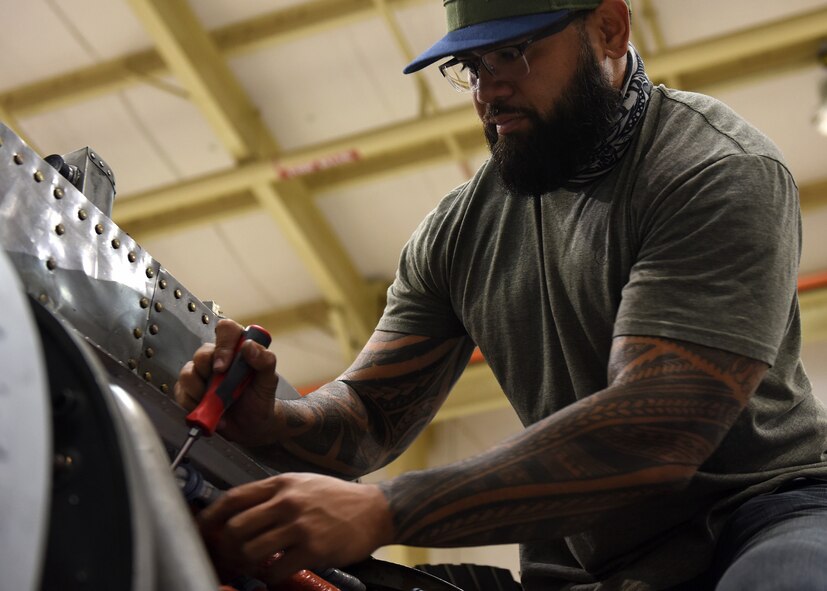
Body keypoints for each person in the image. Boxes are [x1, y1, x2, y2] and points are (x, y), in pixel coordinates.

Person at [175, 0, 827, 589]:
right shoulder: (459, 232)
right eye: (471, 64)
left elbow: (656, 429)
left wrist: (385, 508)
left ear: (608, 28)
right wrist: (271, 419)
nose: (489, 88)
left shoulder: (713, 168)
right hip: (585, 573)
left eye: (515, 52)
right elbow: (369, 417)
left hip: (756, 519)